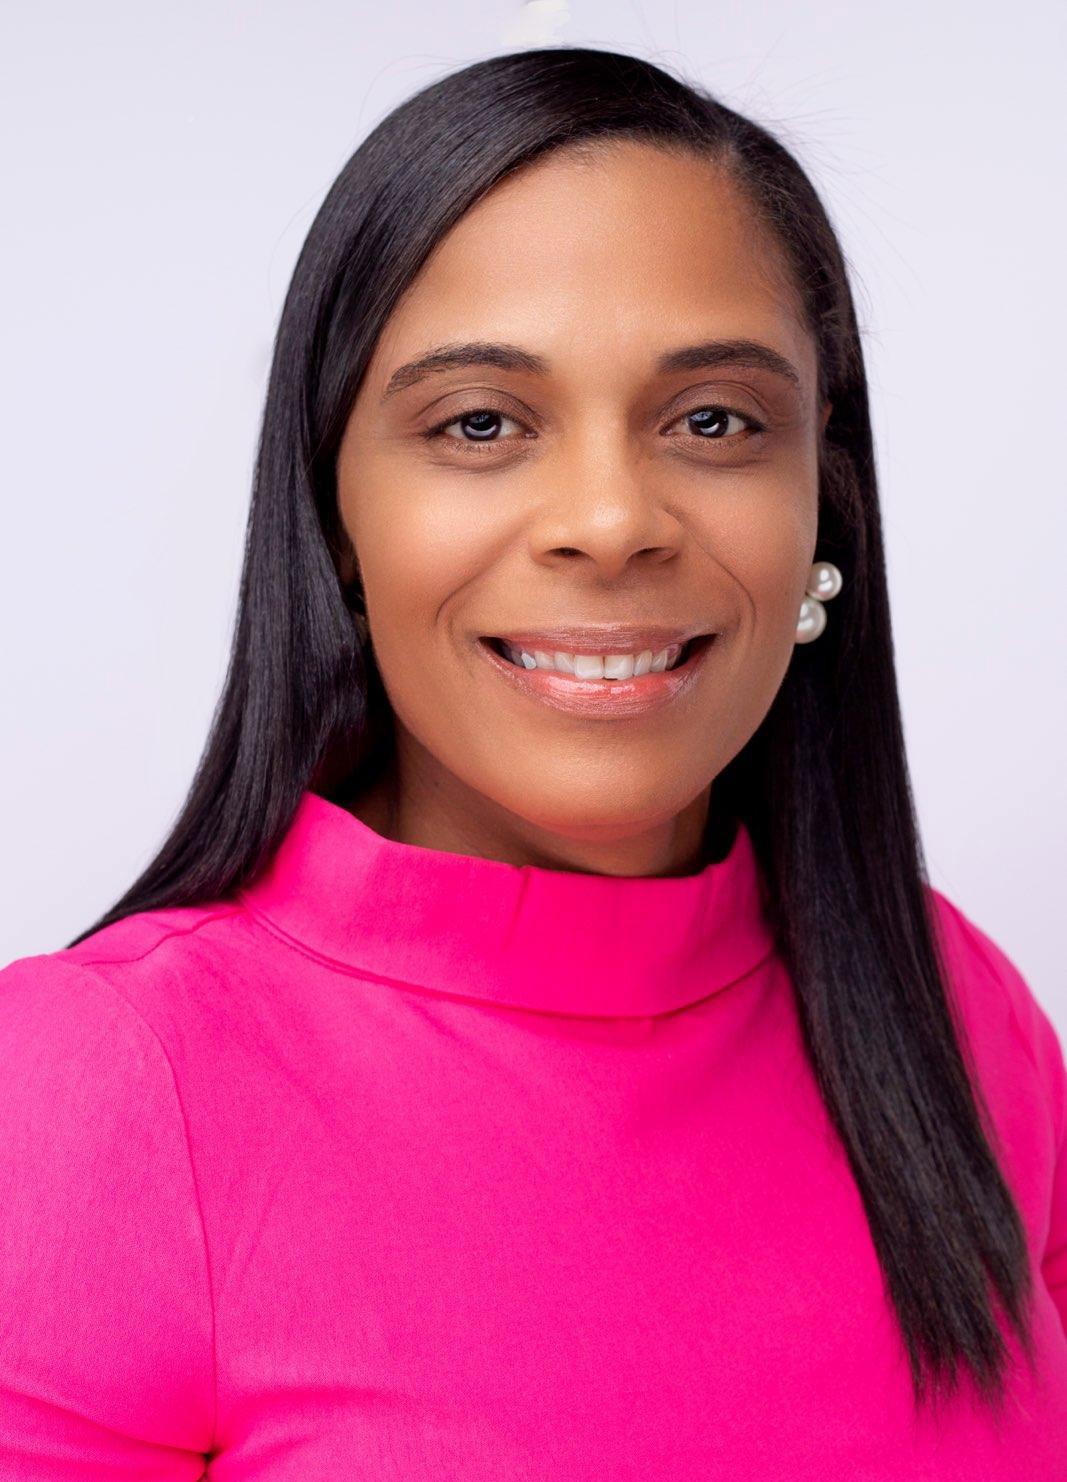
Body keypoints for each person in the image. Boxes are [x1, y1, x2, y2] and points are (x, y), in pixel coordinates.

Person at [1, 45, 1064, 1480]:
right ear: (335, 518)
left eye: (714, 421)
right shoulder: (93, 1096)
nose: (611, 522)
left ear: (822, 495)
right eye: (481, 424)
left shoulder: (956, 1013)